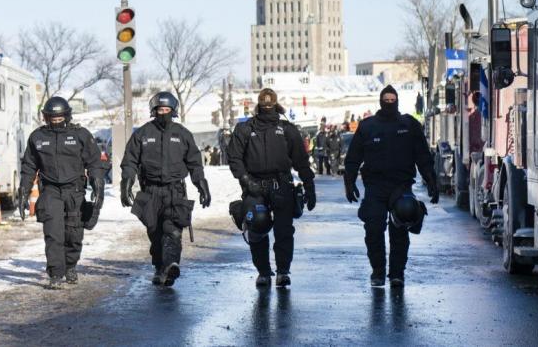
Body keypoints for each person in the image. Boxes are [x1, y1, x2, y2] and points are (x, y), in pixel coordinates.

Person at [343, 85, 438, 288]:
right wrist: (349, 182)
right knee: (374, 229)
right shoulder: (368, 127)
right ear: (380, 101)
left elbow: (422, 155)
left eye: (392, 99)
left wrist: (431, 180)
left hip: (401, 186)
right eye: (385, 99)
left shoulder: (409, 125)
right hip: (375, 187)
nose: (388, 103)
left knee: (400, 229)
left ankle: (397, 274)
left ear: (397, 100)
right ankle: (378, 271)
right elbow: (353, 158)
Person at [120, 91, 212, 287]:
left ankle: (171, 264)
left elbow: (195, 163)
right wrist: (126, 182)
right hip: (150, 192)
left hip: (175, 191)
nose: (163, 113)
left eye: (167, 109)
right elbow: (129, 161)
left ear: (173, 111)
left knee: (172, 231)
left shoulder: (182, 134)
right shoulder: (143, 134)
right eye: (160, 109)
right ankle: (160, 267)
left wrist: (201, 184)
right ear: (154, 111)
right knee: (155, 233)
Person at [227, 88, 316, 288]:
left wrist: (310, 187)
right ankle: (264, 272)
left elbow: (301, 161)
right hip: (254, 185)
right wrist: (244, 180)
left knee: (284, 231)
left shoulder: (287, 129)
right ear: (259, 104)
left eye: (270, 104)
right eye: (264, 104)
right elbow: (234, 157)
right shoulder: (245, 129)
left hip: (281, 185)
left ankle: (283, 271)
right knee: (257, 226)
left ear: (275, 105)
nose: (267, 106)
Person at [19, 96, 105, 289]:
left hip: (74, 190)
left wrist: (97, 184)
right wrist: (24, 191)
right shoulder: (37, 137)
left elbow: (94, 162)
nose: (56, 120)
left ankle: (71, 266)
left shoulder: (80, 135)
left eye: (59, 117)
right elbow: (29, 166)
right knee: (53, 233)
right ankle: (56, 273)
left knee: (73, 233)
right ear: (46, 117)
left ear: (67, 115)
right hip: (50, 190)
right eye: (52, 117)